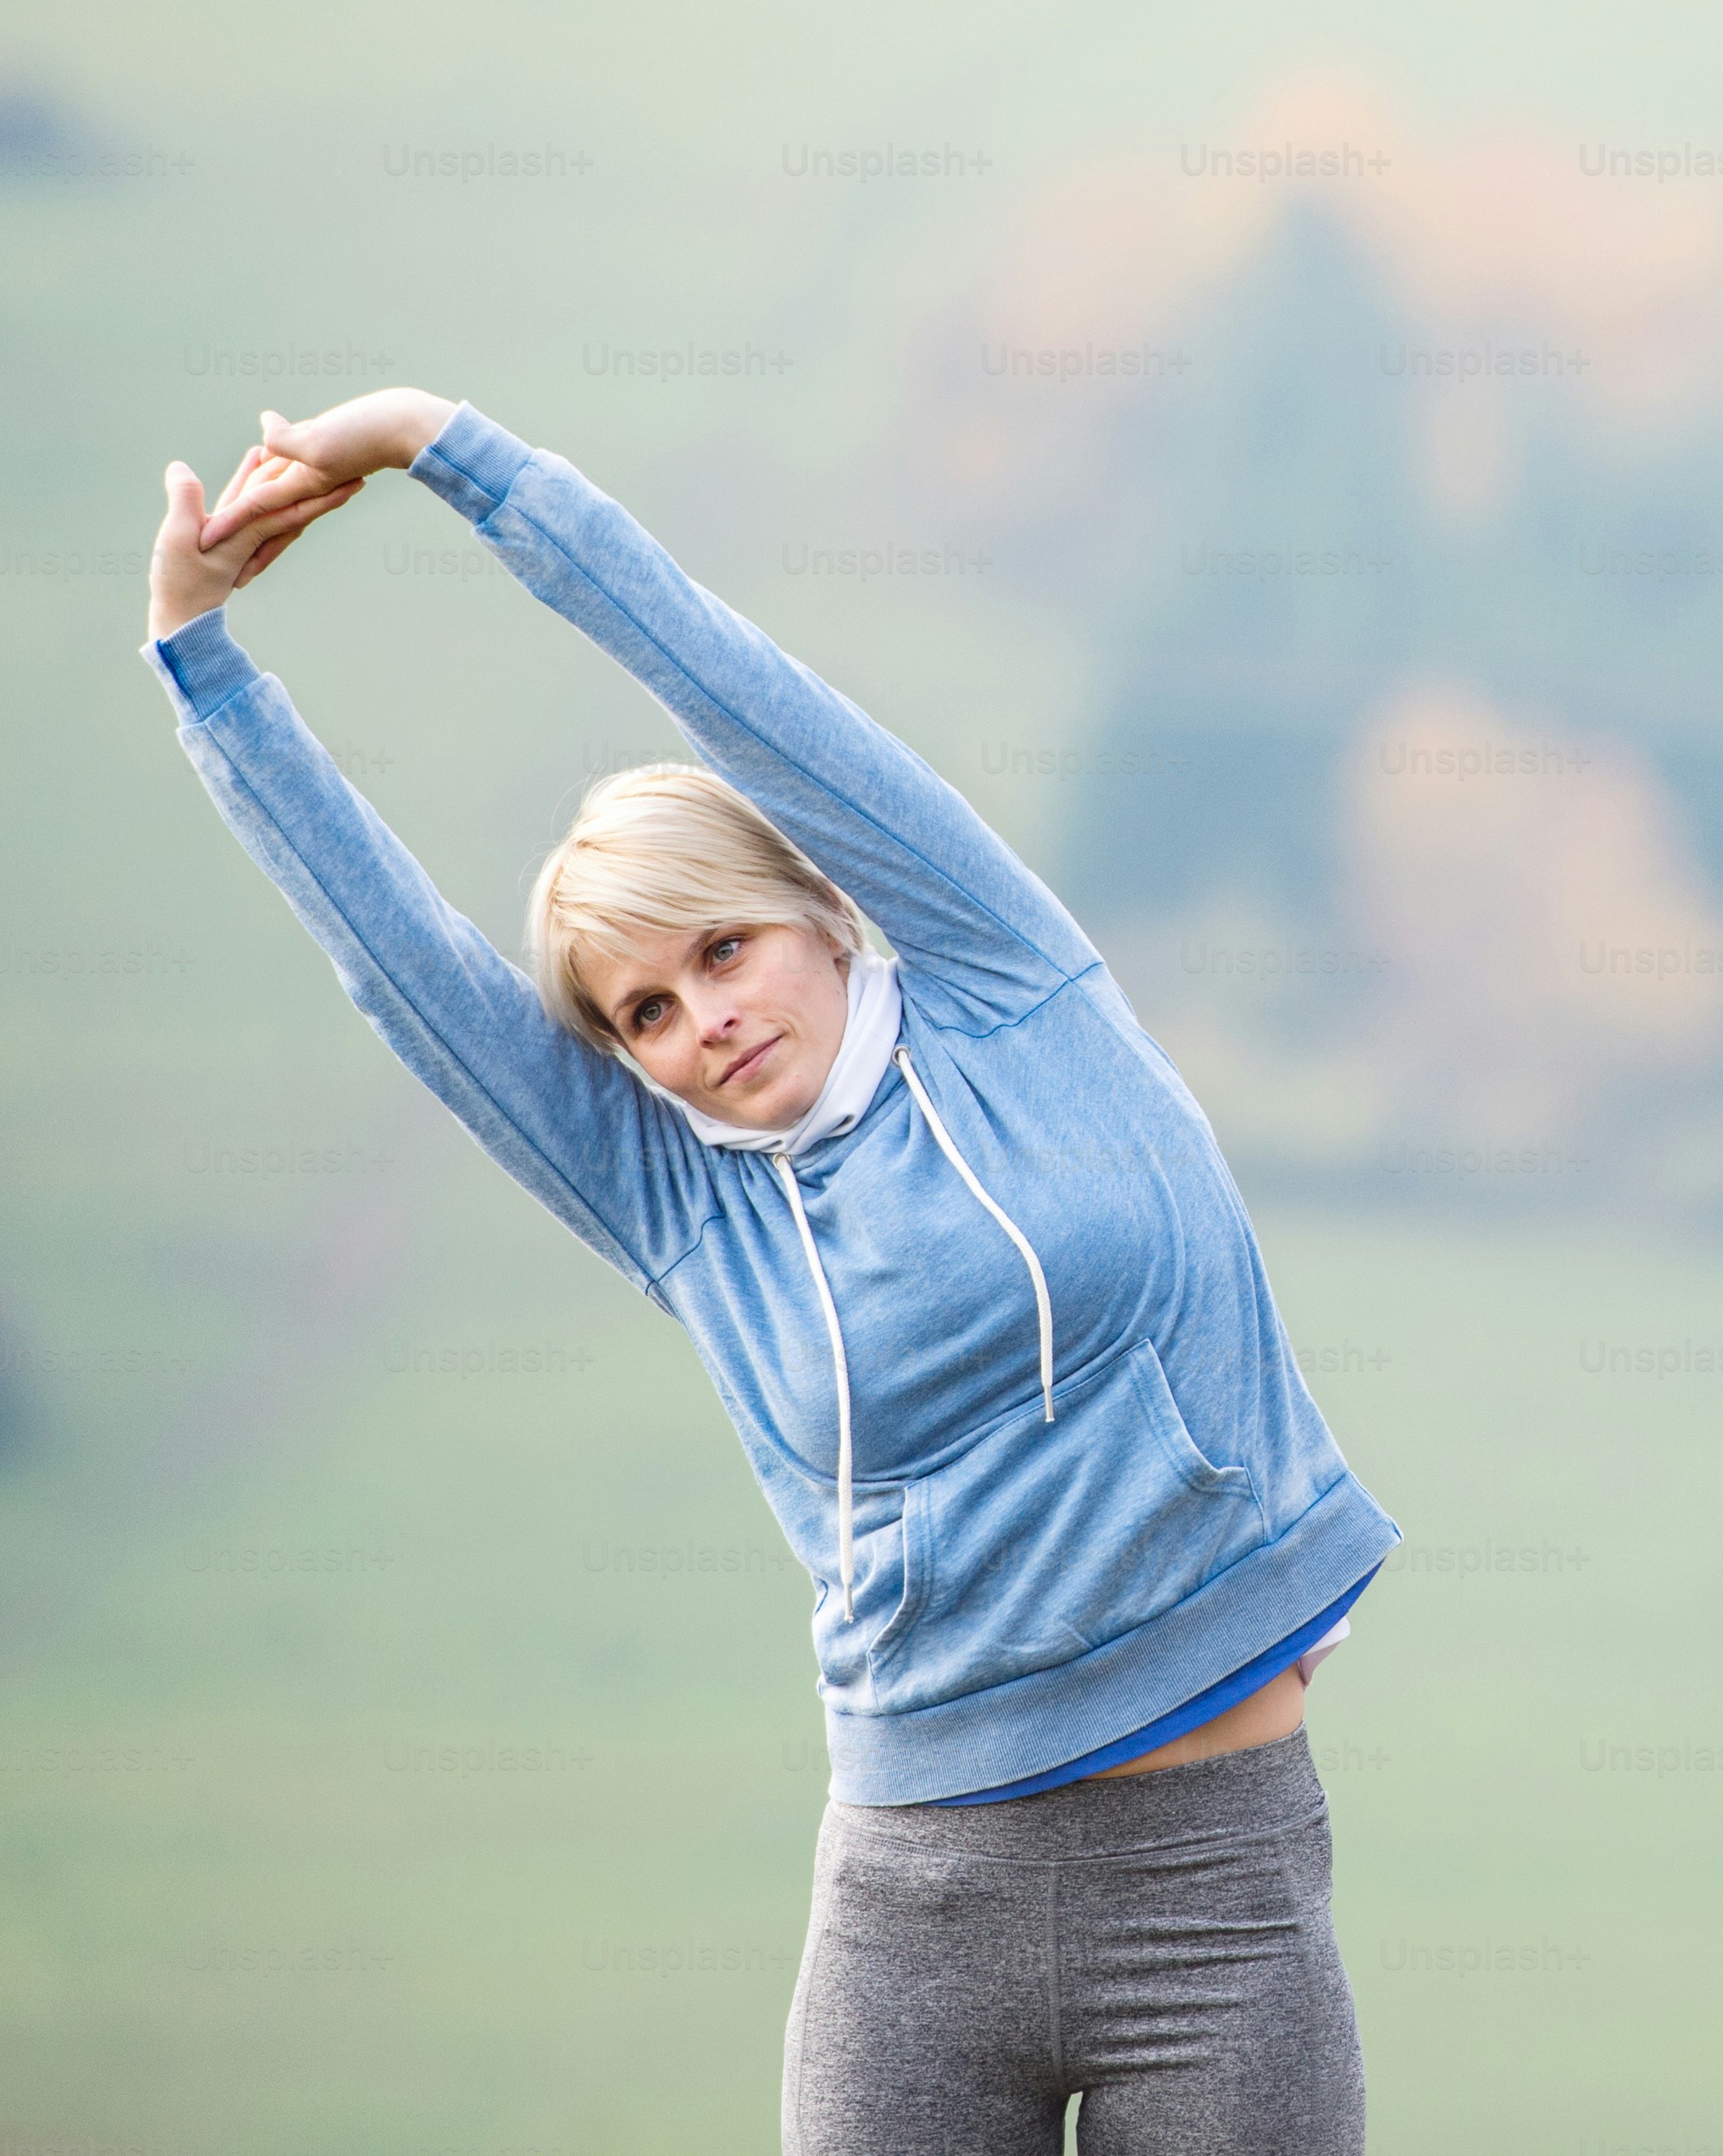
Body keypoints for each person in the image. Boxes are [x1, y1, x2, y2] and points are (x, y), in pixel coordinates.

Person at [141, 389, 1396, 2153]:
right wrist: (200, 654)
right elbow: (399, 968)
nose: (700, 1018)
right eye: (641, 1008)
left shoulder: (1002, 978)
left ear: (816, 906)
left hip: (1213, 1880)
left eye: (720, 949)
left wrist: (444, 446)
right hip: (912, 1916)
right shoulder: (676, 1194)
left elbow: (718, 673)